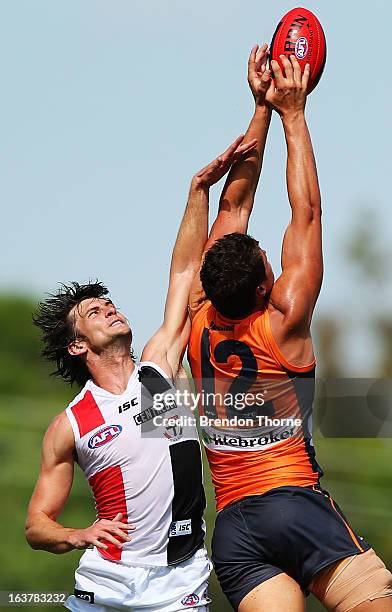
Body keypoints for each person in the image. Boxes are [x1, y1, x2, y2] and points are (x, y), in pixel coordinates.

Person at [187, 49, 392, 611]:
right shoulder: (284, 321)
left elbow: (234, 206)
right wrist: (293, 114)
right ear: (262, 289)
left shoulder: (197, 313)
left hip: (233, 530)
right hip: (294, 504)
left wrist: (258, 108)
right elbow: (306, 214)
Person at [25, 135, 257, 612]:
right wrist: (76, 533)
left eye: (108, 302)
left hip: (182, 582)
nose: (109, 308)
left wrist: (197, 192)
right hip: (108, 584)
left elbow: (183, 274)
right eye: (93, 311)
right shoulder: (72, 424)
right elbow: (36, 524)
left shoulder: (159, 369)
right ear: (78, 345)